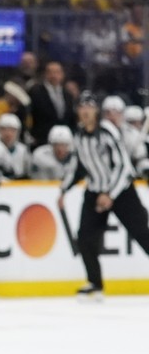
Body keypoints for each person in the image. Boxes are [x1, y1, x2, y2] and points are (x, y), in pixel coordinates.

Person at [59, 92, 149, 301]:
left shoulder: (108, 132)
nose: (85, 111)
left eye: (89, 107)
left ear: (96, 110)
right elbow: (77, 167)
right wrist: (64, 189)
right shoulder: (79, 135)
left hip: (121, 191)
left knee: (143, 235)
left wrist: (110, 194)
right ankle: (95, 283)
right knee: (85, 238)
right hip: (94, 192)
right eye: (82, 107)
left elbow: (124, 166)